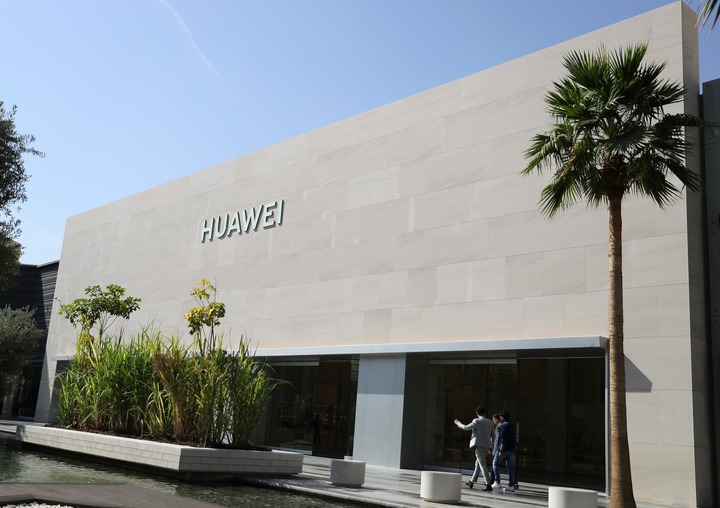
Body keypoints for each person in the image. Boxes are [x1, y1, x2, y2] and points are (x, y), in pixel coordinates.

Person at [454, 405, 494, 491]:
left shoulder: (476, 421)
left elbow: (465, 427)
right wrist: (492, 447)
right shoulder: (490, 422)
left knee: (482, 465)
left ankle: (488, 484)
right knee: (478, 464)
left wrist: (458, 423)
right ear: (484, 412)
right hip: (487, 446)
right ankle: (472, 481)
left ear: (476, 413)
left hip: (479, 446)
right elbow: (493, 435)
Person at [492, 410, 517, 492]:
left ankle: (497, 482)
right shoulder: (512, 425)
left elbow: (503, 439)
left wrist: (500, 450)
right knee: (510, 466)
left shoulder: (504, 425)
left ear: (502, 417)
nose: (500, 418)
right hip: (511, 449)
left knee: (495, 463)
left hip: (504, 449)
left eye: (500, 417)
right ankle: (511, 485)